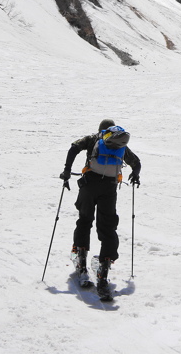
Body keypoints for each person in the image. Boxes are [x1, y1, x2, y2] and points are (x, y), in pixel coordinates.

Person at [60, 120, 141, 297]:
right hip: (109, 190)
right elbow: (136, 163)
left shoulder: (93, 139)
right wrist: (135, 175)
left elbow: (74, 147)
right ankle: (103, 271)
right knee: (107, 228)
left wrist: (67, 171)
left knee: (84, 221)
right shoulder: (120, 146)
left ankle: (80, 260)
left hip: (89, 187)